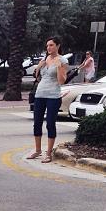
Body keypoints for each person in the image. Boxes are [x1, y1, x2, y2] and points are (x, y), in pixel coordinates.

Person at [29, 36, 69, 164]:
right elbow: (38, 77)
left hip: (53, 96)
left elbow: (62, 80)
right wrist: (39, 66)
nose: (48, 48)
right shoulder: (45, 59)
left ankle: (49, 153)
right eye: (47, 46)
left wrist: (58, 66)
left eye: (51, 45)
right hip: (40, 94)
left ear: (57, 46)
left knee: (50, 123)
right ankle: (37, 150)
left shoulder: (62, 60)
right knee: (37, 123)